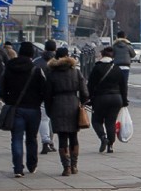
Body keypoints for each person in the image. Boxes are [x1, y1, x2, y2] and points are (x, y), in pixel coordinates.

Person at [0, 42, 46, 178]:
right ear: (32, 54)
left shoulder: (9, 67)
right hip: (33, 108)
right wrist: (39, 100)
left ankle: (18, 168)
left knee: (16, 138)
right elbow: (44, 89)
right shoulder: (36, 70)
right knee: (32, 138)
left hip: (15, 108)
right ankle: (32, 165)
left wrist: (8, 99)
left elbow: (1, 87)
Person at [45, 47, 88, 176]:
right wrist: (82, 103)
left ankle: (66, 167)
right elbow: (85, 92)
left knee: (62, 137)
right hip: (73, 104)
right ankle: (74, 165)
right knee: (74, 136)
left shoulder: (52, 74)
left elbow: (47, 95)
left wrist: (49, 110)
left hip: (57, 105)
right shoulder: (76, 72)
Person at [87, 46, 127, 153]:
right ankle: (111, 145)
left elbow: (90, 85)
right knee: (111, 122)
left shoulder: (96, 68)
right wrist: (124, 100)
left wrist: (89, 98)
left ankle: (103, 137)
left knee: (96, 120)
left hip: (100, 98)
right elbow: (123, 86)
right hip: (116, 98)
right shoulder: (117, 69)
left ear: (102, 55)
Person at [33, 39, 57, 154]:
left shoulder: (37, 62)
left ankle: (46, 141)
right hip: (57, 94)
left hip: (40, 93)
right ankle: (51, 141)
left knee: (44, 119)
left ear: (45, 48)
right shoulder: (59, 61)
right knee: (52, 119)